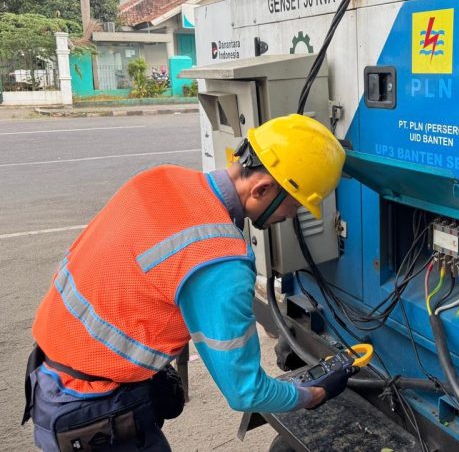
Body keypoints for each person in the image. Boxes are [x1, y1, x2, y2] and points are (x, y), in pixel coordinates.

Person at [22, 114, 348, 451]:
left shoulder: (160, 178)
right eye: (294, 205)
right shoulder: (221, 261)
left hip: (49, 377)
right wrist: (312, 394)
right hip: (94, 412)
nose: (291, 216)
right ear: (262, 188)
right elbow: (245, 391)